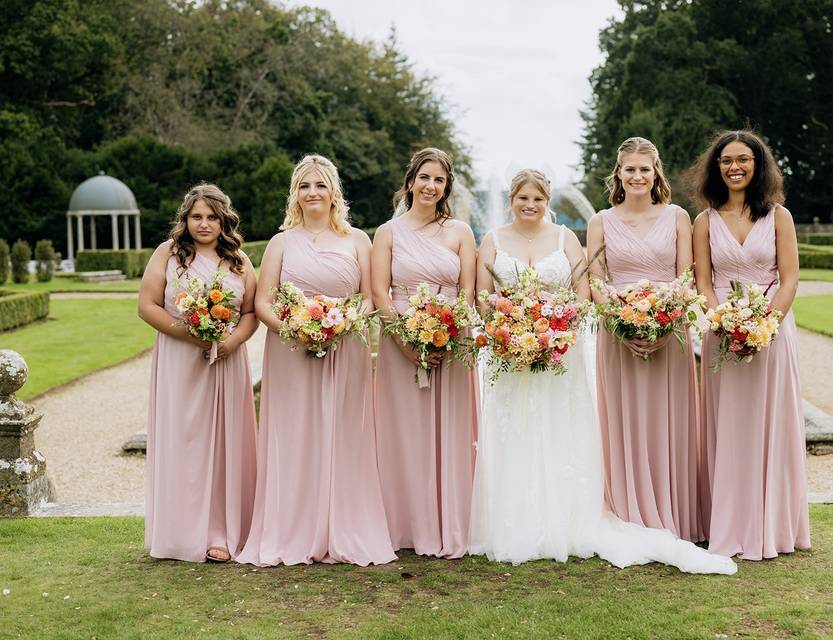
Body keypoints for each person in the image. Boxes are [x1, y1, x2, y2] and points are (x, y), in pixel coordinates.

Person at [469, 169, 735, 574]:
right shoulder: (490, 241)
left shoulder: (565, 239)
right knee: (516, 430)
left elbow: (581, 293)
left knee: (559, 429)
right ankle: (515, 520)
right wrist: (511, 329)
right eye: (522, 197)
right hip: (510, 355)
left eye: (537, 198)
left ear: (547, 200)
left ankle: (566, 517)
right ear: (510, 199)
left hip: (560, 351)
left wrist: (553, 331)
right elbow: (481, 297)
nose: (530, 204)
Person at [236, 155, 395, 566]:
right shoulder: (281, 243)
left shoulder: (359, 240)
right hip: (290, 350)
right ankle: (292, 529)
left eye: (320, 185)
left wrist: (339, 324)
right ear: (296, 193)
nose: (312, 193)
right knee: (295, 433)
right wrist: (295, 329)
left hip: (346, 348)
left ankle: (342, 526)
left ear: (333, 192)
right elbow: (263, 301)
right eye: (305, 186)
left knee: (343, 434)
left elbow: (369, 297)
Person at [691, 130, 810, 560]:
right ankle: (727, 523)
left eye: (743, 159)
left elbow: (790, 278)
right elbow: (703, 282)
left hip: (772, 332)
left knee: (770, 422)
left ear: (758, 165)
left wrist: (765, 324)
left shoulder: (779, 217)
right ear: (716, 167)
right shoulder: (703, 222)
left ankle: (772, 525)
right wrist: (723, 322)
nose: (734, 167)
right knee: (729, 425)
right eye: (726, 160)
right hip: (722, 333)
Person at [588, 137, 703, 541]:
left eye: (645, 169)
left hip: (670, 332)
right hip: (617, 335)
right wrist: (621, 321)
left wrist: (665, 321)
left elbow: (686, 277)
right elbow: (595, 281)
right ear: (618, 174)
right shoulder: (600, 220)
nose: (637, 176)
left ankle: (674, 512)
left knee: (666, 418)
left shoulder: (677, 217)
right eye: (630, 169)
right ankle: (627, 510)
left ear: (656, 174)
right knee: (624, 418)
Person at [139, 183, 258, 563]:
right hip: (179, 358)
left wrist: (233, 340)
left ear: (224, 220)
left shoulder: (239, 260)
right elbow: (147, 305)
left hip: (226, 359)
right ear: (185, 219)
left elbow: (252, 311)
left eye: (211, 217)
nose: (204, 224)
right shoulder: (168, 254)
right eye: (196, 217)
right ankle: (178, 532)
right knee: (183, 439)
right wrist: (192, 335)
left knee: (225, 441)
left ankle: (221, 532)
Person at [371, 148, 479, 558]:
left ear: (446, 187)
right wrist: (404, 339)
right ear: (411, 181)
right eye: (425, 178)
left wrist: (447, 333)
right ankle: (404, 525)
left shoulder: (461, 232)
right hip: (399, 340)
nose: (431, 186)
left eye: (439, 180)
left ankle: (449, 521)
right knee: (405, 431)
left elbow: (467, 291)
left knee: (448, 430)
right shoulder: (388, 232)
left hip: (451, 343)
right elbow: (380, 291)